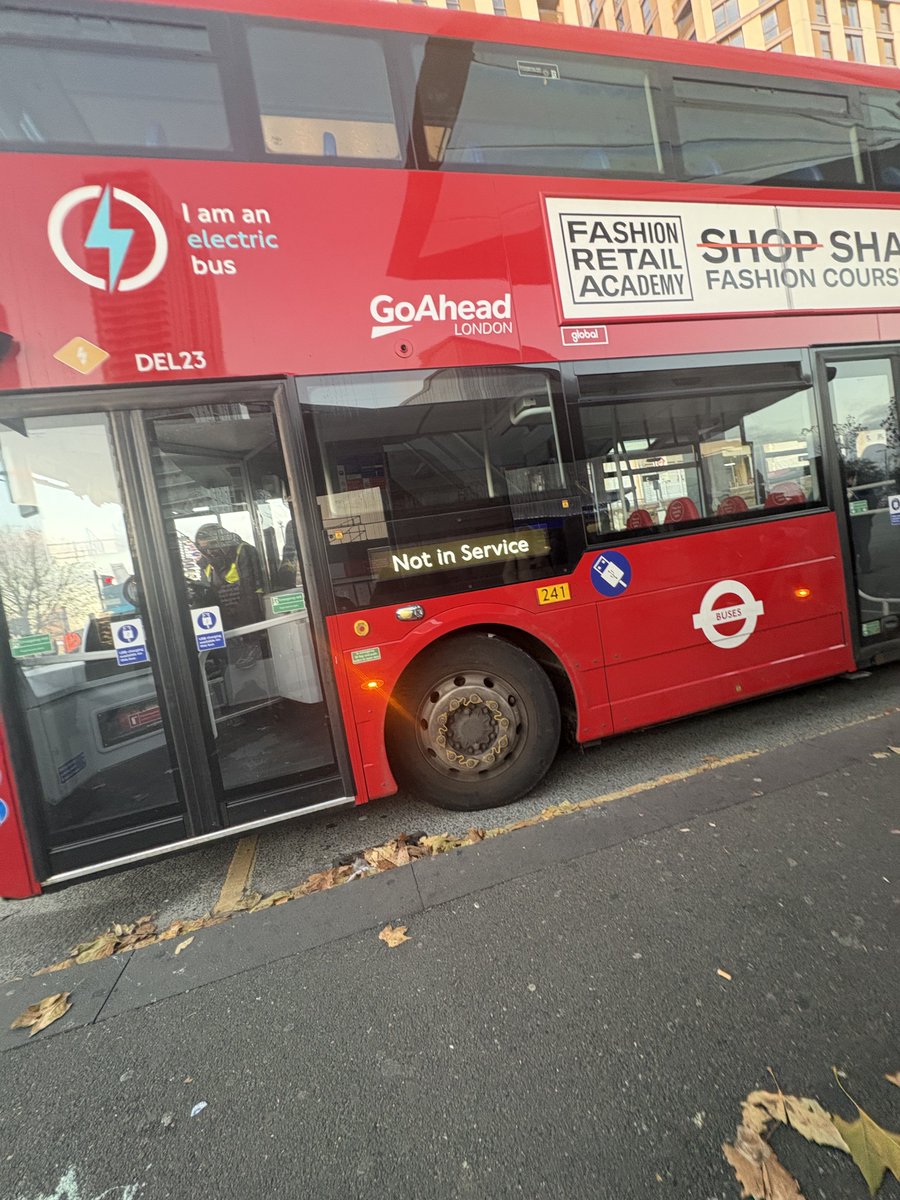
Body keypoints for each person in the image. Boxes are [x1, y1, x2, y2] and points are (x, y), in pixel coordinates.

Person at [194, 523, 265, 668]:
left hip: (246, 608)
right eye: (203, 548)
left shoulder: (243, 551)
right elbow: (209, 590)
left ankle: (252, 646)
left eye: (211, 547)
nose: (209, 552)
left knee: (247, 601)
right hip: (225, 610)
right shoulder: (207, 562)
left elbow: (251, 590)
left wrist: (254, 636)